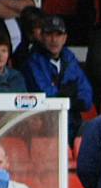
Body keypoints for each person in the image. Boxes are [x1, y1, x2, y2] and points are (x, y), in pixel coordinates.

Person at [22, 15, 93, 148]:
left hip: (72, 122)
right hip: (45, 127)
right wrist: (68, 95)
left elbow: (86, 98)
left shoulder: (70, 58)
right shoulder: (33, 62)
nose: (54, 40)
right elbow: (47, 98)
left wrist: (67, 97)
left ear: (65, 37)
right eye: (49, 34)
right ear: (42, 36)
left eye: (58, 34)